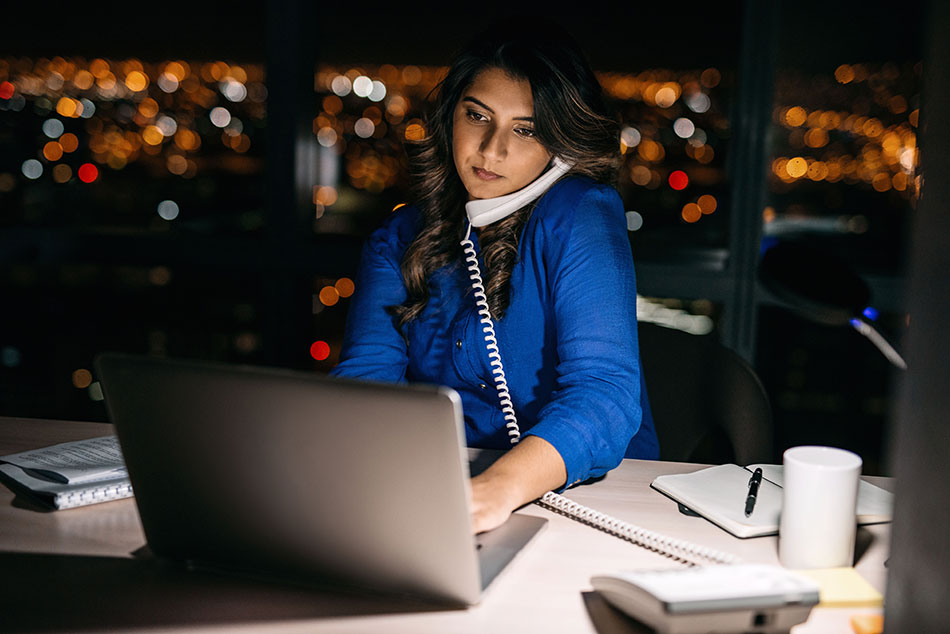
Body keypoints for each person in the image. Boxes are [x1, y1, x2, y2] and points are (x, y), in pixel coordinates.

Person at [330, 21, 659, 534]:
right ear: (450, 117)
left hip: (594, 499)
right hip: (443, 492)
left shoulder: (582, 215)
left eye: (525, 129)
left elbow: (605, 394)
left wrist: (495, 490)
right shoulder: (398, 237)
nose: (491, 149)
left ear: (562, 146)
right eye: (477, 116)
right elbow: (366, 380)